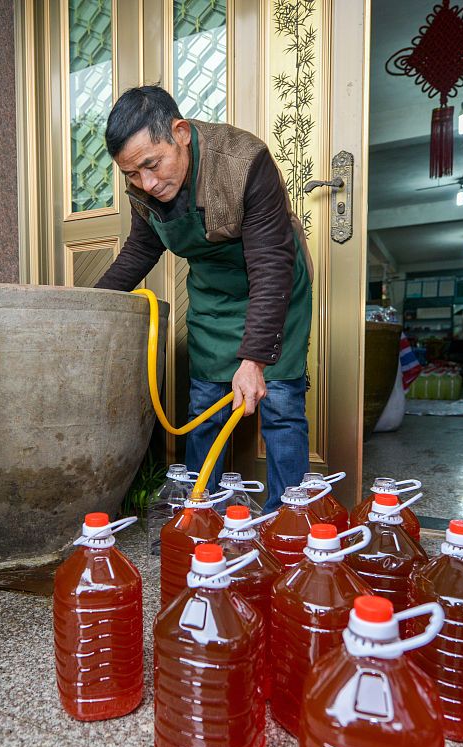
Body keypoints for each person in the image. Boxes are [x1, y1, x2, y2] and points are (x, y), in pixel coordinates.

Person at [94, 86, 313, 512]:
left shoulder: (244, 161)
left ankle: (287, 520)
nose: (147, 183)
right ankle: (198, 514)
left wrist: (254, 361)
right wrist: (91, 305)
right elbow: (140, 250)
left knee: (280, 404)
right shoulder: (144, 186)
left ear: (180, 133)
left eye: (152, 165)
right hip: (214, 298)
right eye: (132, 174)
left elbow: (271, 266)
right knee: (205, 406)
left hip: (272, 287)